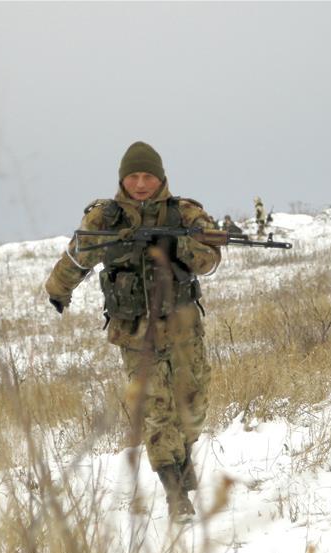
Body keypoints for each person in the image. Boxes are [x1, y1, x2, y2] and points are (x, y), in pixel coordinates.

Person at [45, 141, 221, 518]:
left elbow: (210, 259)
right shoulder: (105, 219)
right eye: (133, 176)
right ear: (123, 178)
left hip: (184, 325)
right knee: (157, 409)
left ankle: (183, 458)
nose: (141, 184)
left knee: (192, 405)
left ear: (160, 178)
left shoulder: (186, 212)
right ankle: (175, 492)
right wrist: (58, 290)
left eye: (148, 176)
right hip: (134, 330)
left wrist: (181, 245)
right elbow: (79, 255)